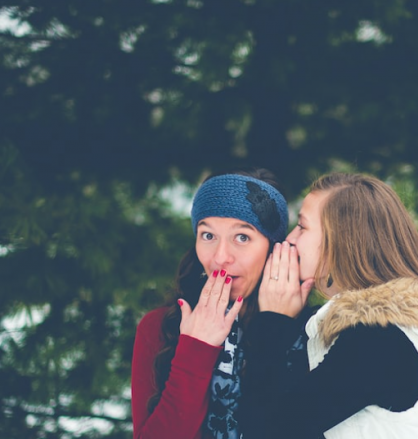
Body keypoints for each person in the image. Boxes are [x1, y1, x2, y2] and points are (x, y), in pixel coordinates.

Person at [240, 172, 418, 439]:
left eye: (302, 226)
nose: (290, 239)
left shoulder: (377, 342)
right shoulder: (400, 333)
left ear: (340, 241)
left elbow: (268, 430)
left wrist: (272, 323)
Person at [131, 169, 313, 439]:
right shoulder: (160, 327)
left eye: (242, 237)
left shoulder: (310, 329)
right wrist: (195, 349)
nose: (220, 257)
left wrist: (275, 325)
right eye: (208, 235)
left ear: (273, 248)